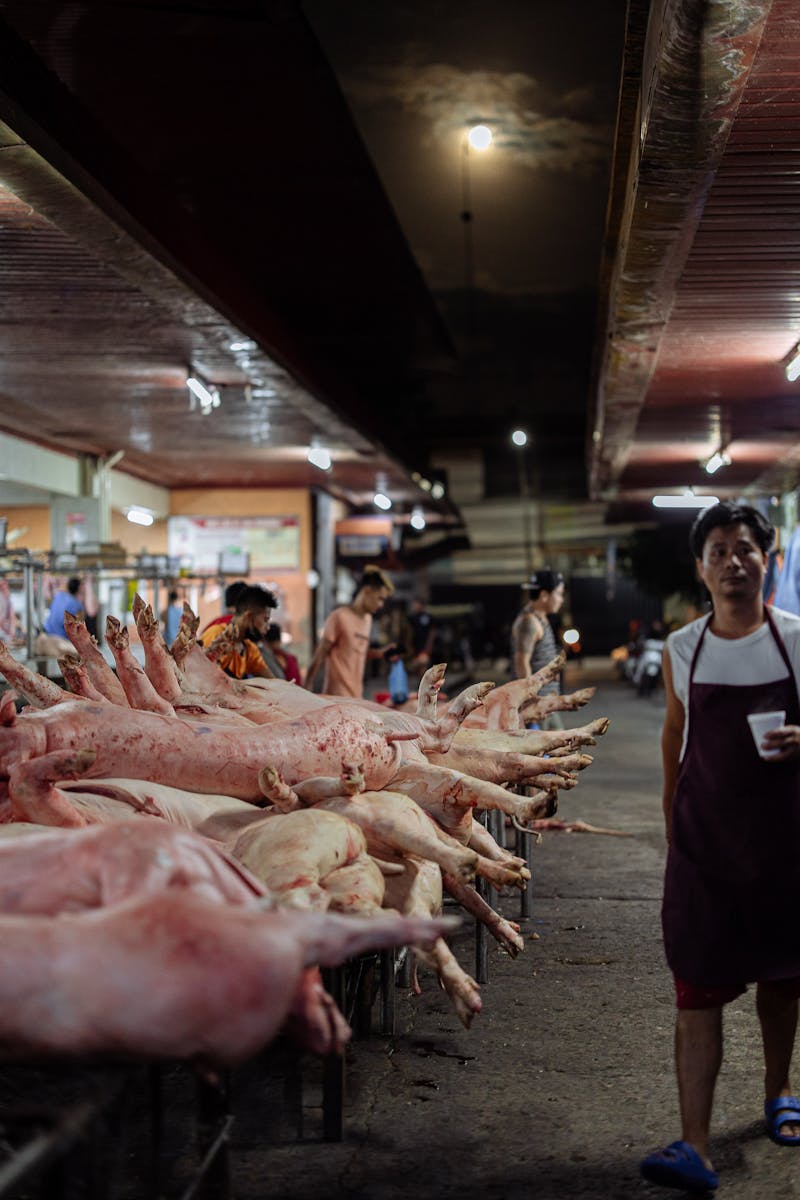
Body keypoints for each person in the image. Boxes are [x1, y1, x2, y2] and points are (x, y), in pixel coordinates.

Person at [640, 501, 800, 1193]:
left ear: (768, 561)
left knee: (784, 978)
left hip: (785, 844)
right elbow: (674, 731)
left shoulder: (796, 640)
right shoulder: (684, 648)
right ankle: (695, 1146)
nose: (734, 562)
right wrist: (671, 817)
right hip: (706, 846)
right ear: (701, 570)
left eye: (745, 550)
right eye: (718, 552)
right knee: (696, 988)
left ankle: (780, 1091)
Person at [303, 565, 394, 697]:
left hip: (356, 695)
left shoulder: (368, 620)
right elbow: (320, 654)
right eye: (380, 598)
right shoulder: (339, 617)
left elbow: (356, 652)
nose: (381, 605)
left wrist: (381, 653)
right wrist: (307, 685)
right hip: (336, 697)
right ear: (367, 591)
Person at [509, 569, 566, 728]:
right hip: (536, 707)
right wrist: (530, 703)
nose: (561, 600)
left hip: (546, 704)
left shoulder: (540, 618)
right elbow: (521, 662)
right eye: (559, 594)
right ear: (544, 595)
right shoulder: (529, 622)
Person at [199, 583, 277, 679]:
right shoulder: (216, 635)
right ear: (248, 616)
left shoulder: (249, 648)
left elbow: (272, 681)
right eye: (265, 620)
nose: (268, 627)